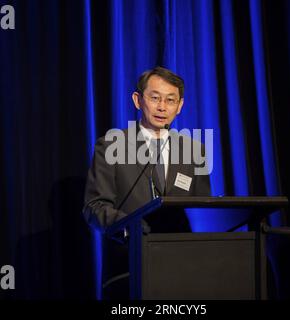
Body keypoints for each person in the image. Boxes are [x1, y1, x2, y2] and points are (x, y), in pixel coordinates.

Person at [83, 66, 211, 299]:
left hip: (183, 270)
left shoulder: (194, 151)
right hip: (128, 268)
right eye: (155, 98)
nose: (162, 107)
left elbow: (204, 209)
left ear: (180, 106)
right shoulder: (112, 145)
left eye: (170, 100)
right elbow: (95, 207)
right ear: (137, 100)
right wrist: (131, 227)